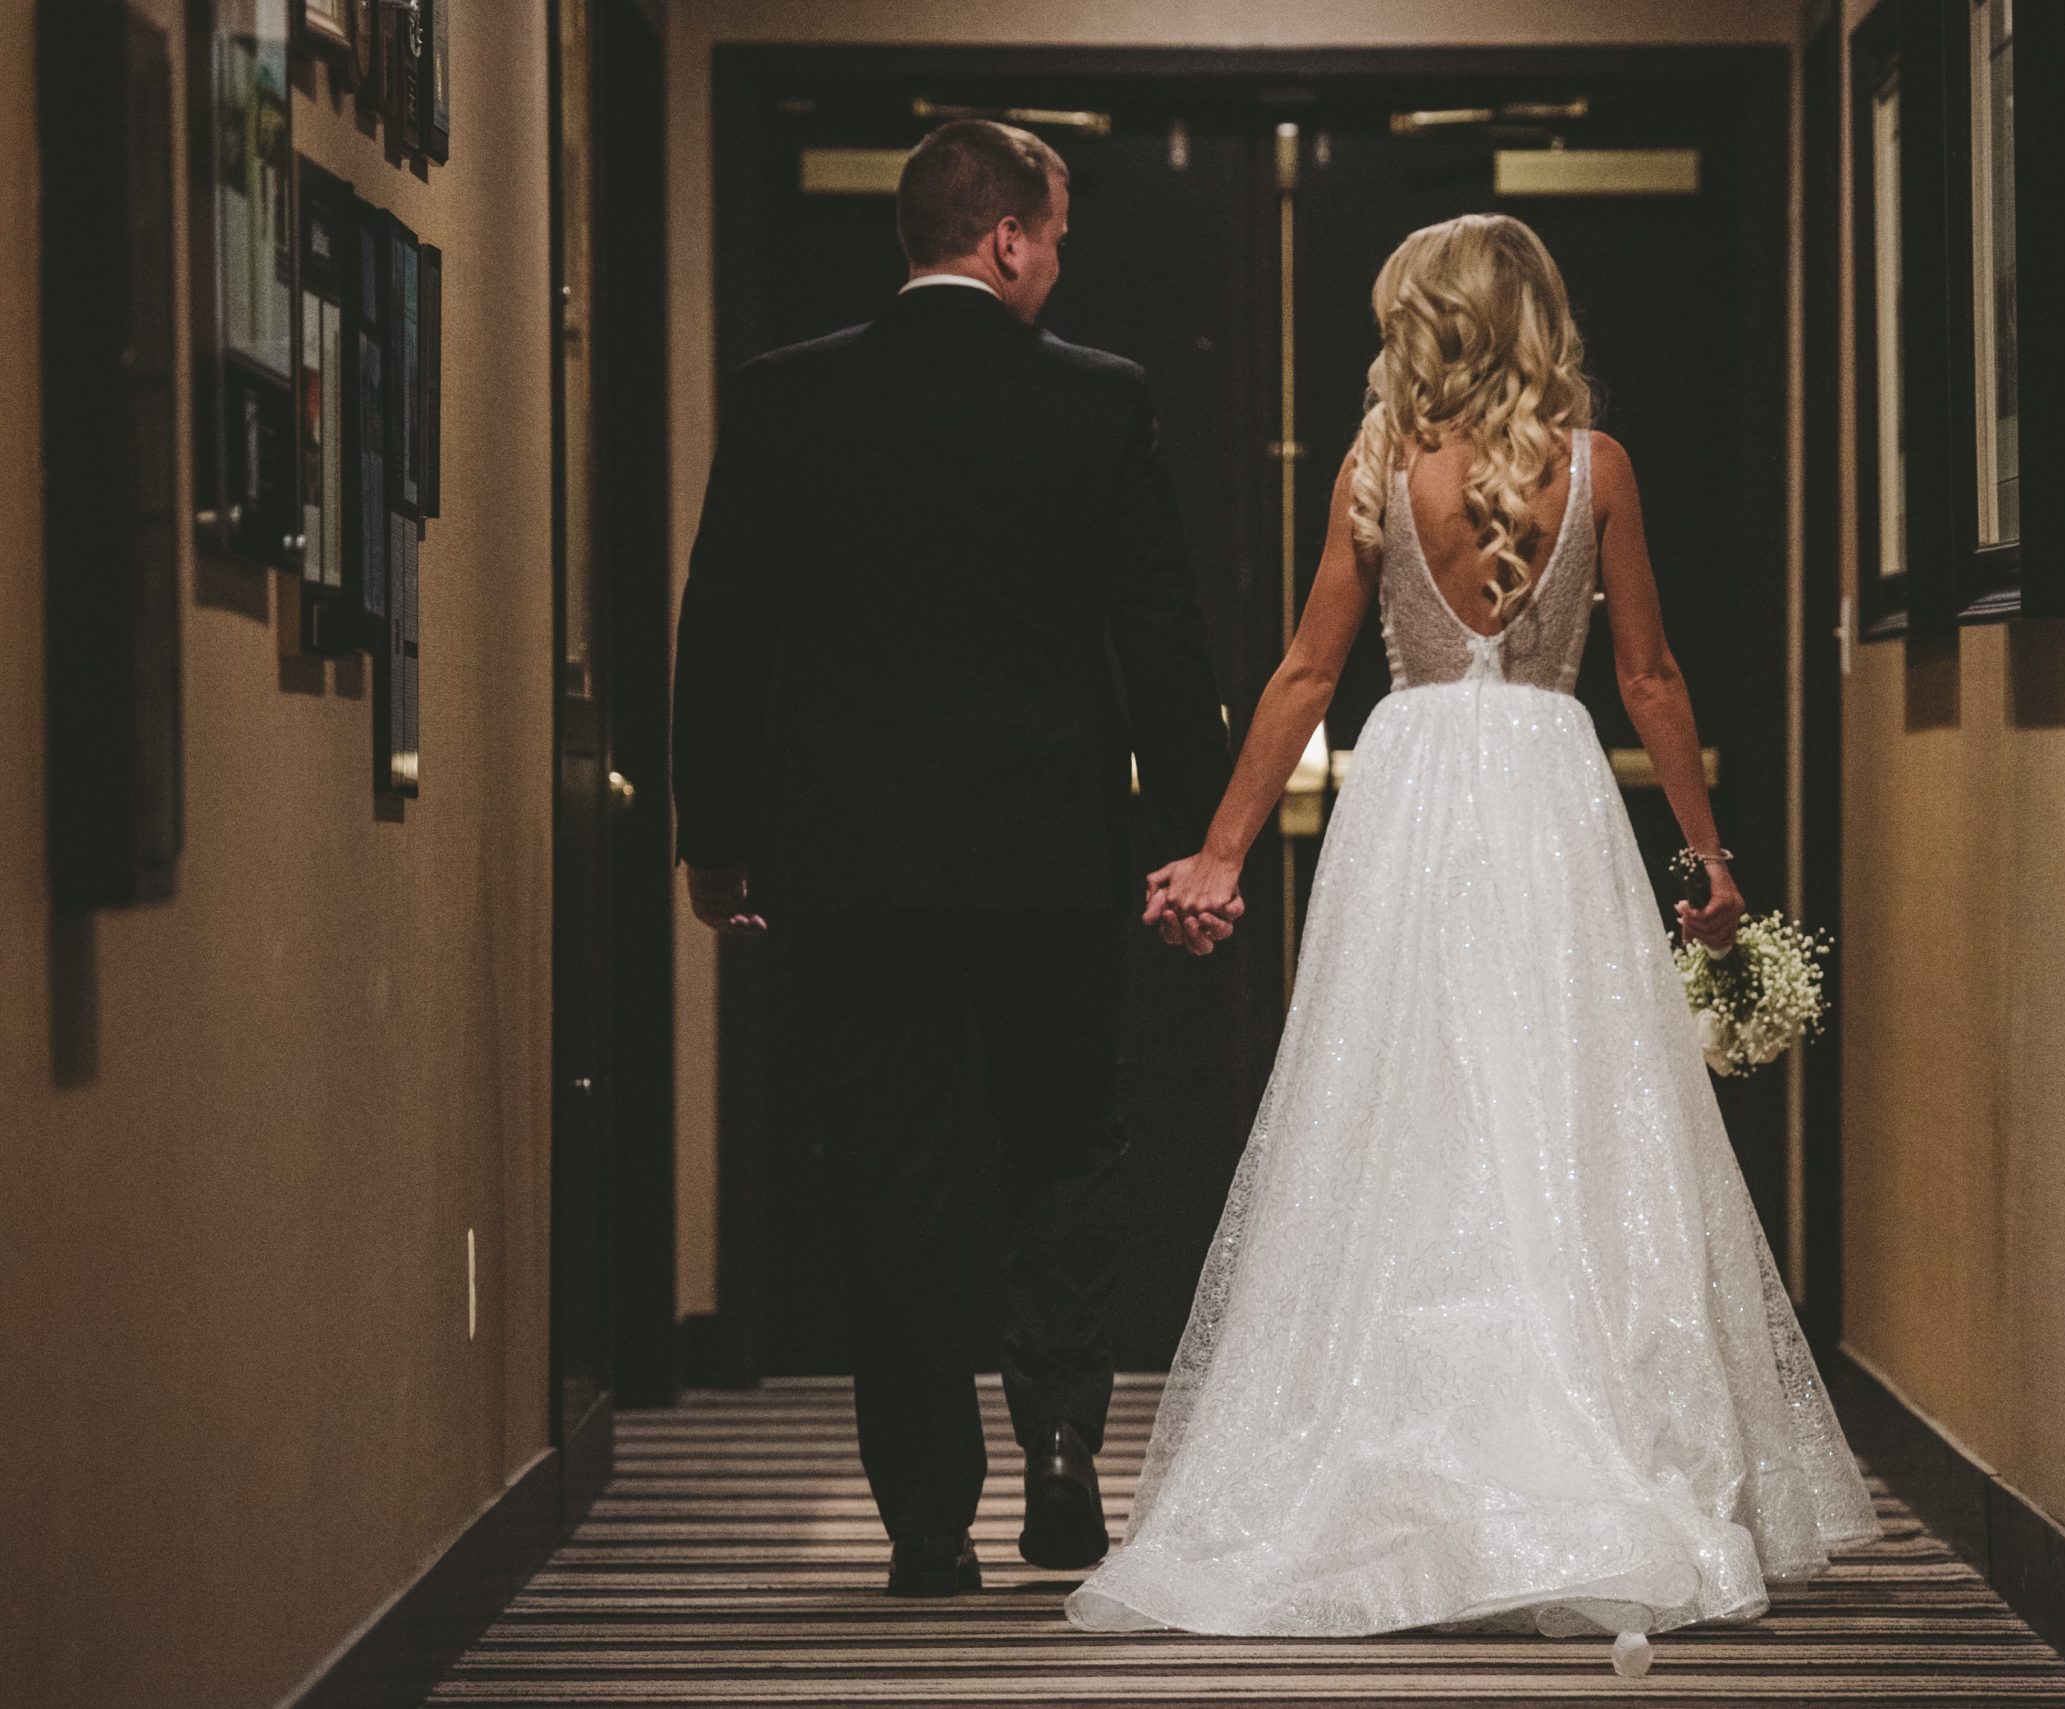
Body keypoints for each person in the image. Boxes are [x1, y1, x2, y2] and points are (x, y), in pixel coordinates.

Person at [1065, 214, 1880, 1646]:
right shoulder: (1599, 469)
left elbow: (1310, 669)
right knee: (1570, 1114)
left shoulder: (1382, 467)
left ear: (1421, 323)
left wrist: (1219, 848)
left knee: (1406, 1112)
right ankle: (1584, 1449)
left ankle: (1416, 1458)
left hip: (1416, 804)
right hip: (1553, 796)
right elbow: (1653, 676)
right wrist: (1706, 855)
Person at [669, 120, 1236, 1599]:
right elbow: (1158, 639)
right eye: (1055, 236)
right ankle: (1059, 1444)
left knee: (894, 1168)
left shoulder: (787, 399)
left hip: (853, 861)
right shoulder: (1101, 403)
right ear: (1006, 239)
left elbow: (723, 632)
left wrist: (713, 837)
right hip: (1050, 850)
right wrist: (1202, 834)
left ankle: (927, 1514)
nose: (1060, 263)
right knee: (1066, 1140)